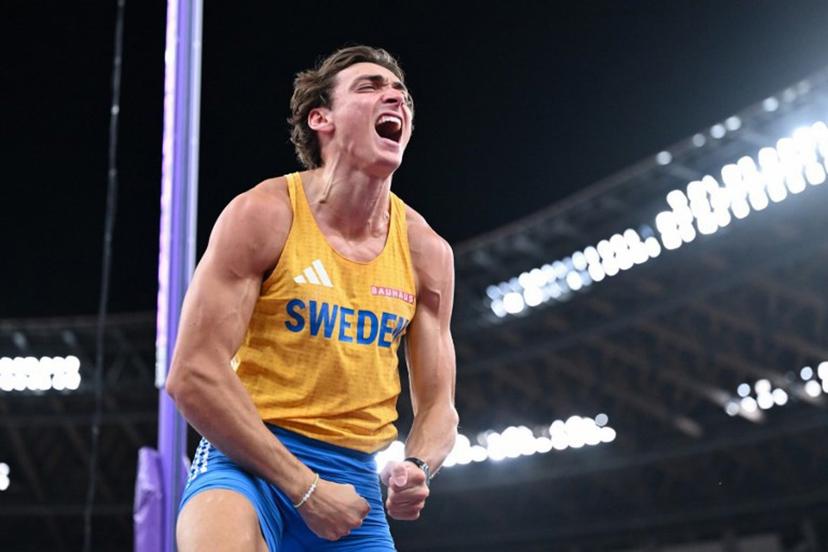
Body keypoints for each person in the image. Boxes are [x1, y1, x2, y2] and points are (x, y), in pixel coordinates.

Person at [166, 45, 459, 552]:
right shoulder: (264, 214)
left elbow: (440, 407)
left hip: (353, 488)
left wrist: (417, 466)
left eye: (403, 94)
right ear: (320, 117)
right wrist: (304, 489)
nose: (396, 97)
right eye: (370, 87)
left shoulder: (426, 251)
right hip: (250, 460)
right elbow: (192, 374)